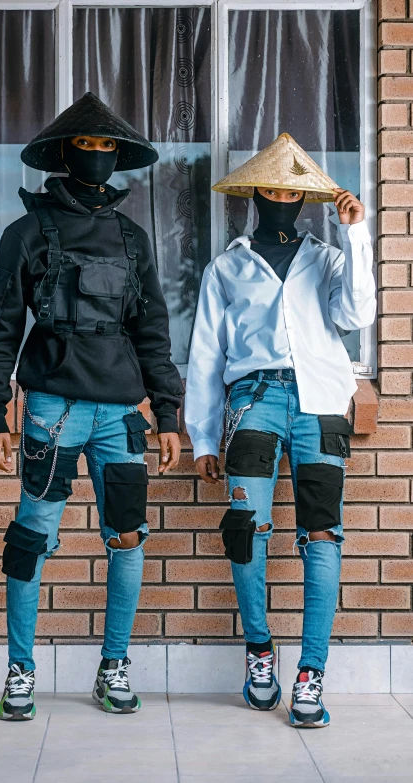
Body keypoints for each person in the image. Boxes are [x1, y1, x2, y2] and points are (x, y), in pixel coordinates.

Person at [0, 92, 183, 720]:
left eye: (106, 146)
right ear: (63, 154)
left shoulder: (133, 238)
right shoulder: (27, 232)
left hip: (121, 413)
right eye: (85, 145)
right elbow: (1, 324)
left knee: (127, 538)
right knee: (32, 538)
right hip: (50, 406)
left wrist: (167, 411)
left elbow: (153, 331)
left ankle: (113, 665)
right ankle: (20, 671)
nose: (96, 155)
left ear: (119, 156)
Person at [185, 133, 376, 728]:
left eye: (293, 188)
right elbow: (205, 354)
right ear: (254, 193)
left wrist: (356, 233)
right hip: (253, 402)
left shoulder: (329, 257)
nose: (282, 195)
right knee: (246, 530)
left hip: (320, 404)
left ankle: (312, 673)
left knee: (322, 535)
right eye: (272, 186)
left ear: (304, 196)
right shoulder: (228, 265)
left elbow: (356, 314)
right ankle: (260, 652)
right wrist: (203, 437)